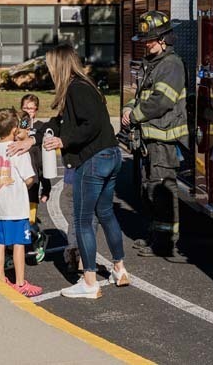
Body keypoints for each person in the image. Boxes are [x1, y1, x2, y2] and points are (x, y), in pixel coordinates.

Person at [13, 44, 129, 298]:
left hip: (95, 160)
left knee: (82, 219)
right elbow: (58, 122)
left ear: (60, 65)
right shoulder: (81, 87)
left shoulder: (76, 89)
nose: (48, 69)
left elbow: (92, 124)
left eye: (50, 64)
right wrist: (32, 138)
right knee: (106, 213)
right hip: (110, 155)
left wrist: (64, 141)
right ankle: (119, 269)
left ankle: (89, 281)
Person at [121, 11, 187, 257]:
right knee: (150, 188)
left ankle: (166, 242)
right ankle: (155, 234)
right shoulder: (155, 64)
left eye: (150, 40)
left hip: (164, 138)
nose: (145, 44)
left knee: (162, 189)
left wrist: (135, 115)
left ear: (164, 39)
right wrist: (129, 107)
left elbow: (162, 101)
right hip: (152, 138)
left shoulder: (171, 65)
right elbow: (142, 96)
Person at [0, 108, 42, 297]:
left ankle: (1, 277)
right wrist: (29, 183)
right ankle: (20, 282)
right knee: (19, 243)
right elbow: (29, 179)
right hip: (16, 207)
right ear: (14, 129)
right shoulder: (18, 151)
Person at [21, 94, 51, 262]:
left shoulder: (41, 128)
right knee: (19, 216)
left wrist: (47, 188)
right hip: (20, 180)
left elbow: (45, 162)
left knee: (30, 219)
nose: (28, 112)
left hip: (34, 179)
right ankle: (20, 249)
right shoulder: (19, 126)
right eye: (25, 108)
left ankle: (39, 239)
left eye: (31, 109)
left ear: (36, 110)